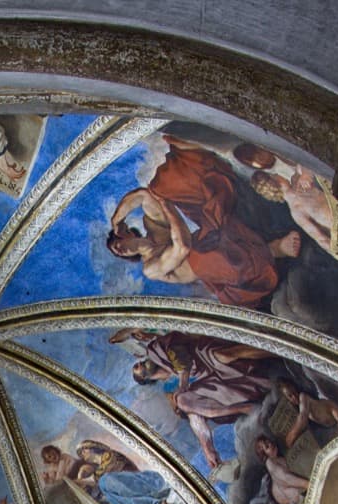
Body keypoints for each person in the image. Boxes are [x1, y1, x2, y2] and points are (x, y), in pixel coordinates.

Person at [106, 137, 297, 308]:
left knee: (163, 186)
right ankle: (274, 249)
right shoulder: (150, 268)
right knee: (203, 257)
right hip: (214, 264)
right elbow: (182, 246)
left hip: (209, 240)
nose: (120, 250)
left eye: (117, 244)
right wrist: (168, 209)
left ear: (126, 233)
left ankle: (201, 154)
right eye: (118, 253)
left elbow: (144, 195)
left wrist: (117, 217)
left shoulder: (153, 229)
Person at [115, 328, 277, 468]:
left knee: (221, 355)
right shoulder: (169, 387)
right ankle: (244, 408)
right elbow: (194, 413)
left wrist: (183, 382)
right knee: (184, 402)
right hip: (214, 385)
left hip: (204, 356)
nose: (140, 365)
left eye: (138, 364)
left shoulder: (156, 351)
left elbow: (178, 353)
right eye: (139, 371)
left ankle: (278, 349)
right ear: (147, 379)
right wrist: (207, 448)